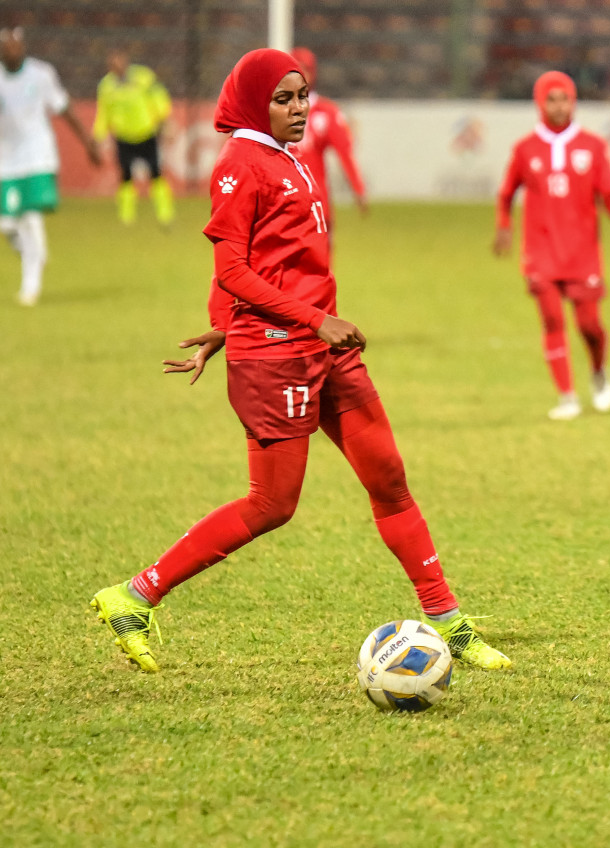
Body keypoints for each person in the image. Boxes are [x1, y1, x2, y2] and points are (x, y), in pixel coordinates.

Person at [89, 49, 511, 675]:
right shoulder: (238, 165)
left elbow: (270, 260)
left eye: (303, 95)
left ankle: (448, 622)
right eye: (283, 98)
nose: (299, 108)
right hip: (279, 357)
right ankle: (135, 595)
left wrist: (231, 327)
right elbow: (230, 266)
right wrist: (305, 320)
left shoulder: (288, 158)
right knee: (272, 504)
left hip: (325, 350)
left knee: (389, 477)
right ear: (255, 102)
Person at [494, 70, 610, 420]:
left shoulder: (593, 146)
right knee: (552, 320)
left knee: (589, 325)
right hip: (540, 250)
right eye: (551, 99)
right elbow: (506, 192)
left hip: (581, 250)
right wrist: (504, 226)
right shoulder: (525, 149)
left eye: (565, 99)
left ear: (574, 101)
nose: (559, 106)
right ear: (539, 103)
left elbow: (609, 194)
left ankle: (599, 370)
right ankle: (567, 396)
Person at [0, 27, 101, 306]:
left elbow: (64, 108)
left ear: (22, 47)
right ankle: (35, 255)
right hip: (6, 160)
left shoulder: (40, 74)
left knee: (30, 217)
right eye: (6, 46)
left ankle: (30, 287)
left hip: (37, 156)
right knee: (7, 223)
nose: (11, 50)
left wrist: (88, 142)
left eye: (15, 45)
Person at [95, 50, 174, 226]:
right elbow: (103, 113)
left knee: (156, 172)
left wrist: (163, 118)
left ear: (126, 62)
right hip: (123, 136)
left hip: (146, 132)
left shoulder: (143, 76)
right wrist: (98, 135)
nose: (118, 68)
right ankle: (126, 215)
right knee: (125, 175)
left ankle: (164, 212)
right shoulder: (106, 86)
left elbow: (159, 97)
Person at [289, 47, 368, 224]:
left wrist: (358, 188)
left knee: (317, 252)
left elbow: (345, 152)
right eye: (294, 71)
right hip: (280, 205)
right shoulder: (272, 111)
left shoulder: (326, 113)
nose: (300, 77)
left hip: (316, 206)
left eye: (305, 71)